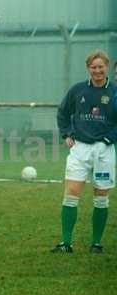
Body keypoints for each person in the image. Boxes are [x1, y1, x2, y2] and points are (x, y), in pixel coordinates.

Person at [53, 50, 117, 253]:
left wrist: (109, 138)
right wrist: (67, 134)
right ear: (88, 68)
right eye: (93, 67)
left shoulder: (115, 91)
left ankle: (96, 243)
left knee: (101, 196)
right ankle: (66, 243)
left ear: (107, 67)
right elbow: (62, 113)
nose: (97, 70)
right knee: (71, 194)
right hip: (79, 149)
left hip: (104, 150)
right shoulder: (77, 90)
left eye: (101, 66)